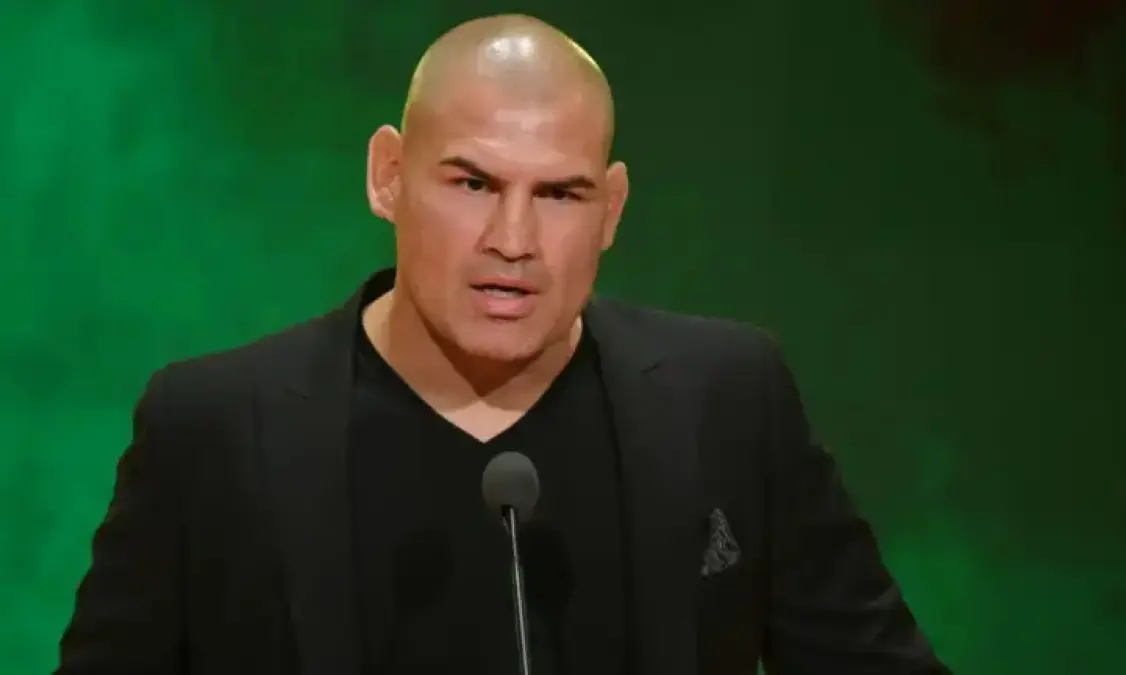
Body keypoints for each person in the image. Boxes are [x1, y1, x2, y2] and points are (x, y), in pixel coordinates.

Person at [55, 13, 950, 675]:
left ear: (612, 209)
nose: (513, 240)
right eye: (473, 182)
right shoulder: (210, 429)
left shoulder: (728, 398)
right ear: (388, 176)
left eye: (559, 194)